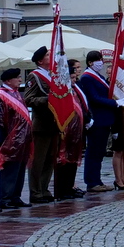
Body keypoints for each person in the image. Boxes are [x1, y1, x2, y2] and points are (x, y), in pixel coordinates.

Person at [23, 45, 60, 203]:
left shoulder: (53, 75)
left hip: (54, 123)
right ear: (40, 60)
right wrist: (48, 100)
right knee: (38, 160)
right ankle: (35, 192)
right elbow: (29, 99)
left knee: (50, 160)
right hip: (41, 124)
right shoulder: (35, 76)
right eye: (48, 55)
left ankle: (44, 189)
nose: (51, 57)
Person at [76, 50, 116, 193]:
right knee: (93, 152)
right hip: (96, 119)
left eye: (101, 59)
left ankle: (97, 180)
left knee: (99, 152)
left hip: (104, 119)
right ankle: (92, 182)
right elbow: (94, 98)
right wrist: (114, 103)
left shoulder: (97, 76)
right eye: (98, 60)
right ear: (90, 62)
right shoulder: (87, 77)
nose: (101, 62)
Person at [0, 68, 31, 209]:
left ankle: (15, 196)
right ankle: (5, 198)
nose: (20, 80)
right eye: (17, 77)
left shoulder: (16, 93)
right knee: (10, 169)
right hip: (11, 138)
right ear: (8, 80)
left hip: (22, 139)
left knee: (20, 168)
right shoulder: (1, 94)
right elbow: (2, 117)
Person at [54, 57, 87, 200]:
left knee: (73, 161)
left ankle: (69, 187)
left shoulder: (75, 90)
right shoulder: (63, 92)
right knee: (63, 162)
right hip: (64, 131)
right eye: (71, 77)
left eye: (74, 77)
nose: (74, 80)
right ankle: (61, 190)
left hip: (76, 132)